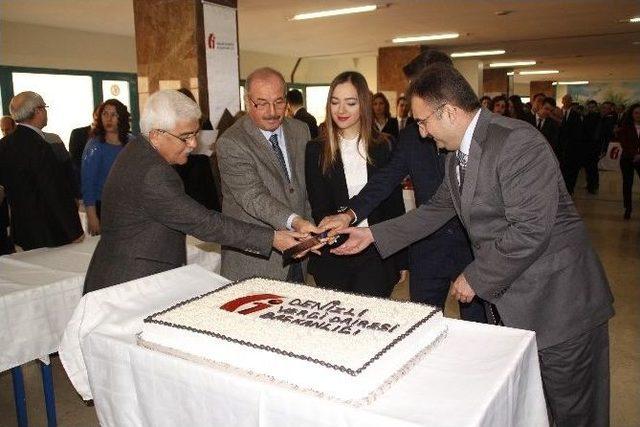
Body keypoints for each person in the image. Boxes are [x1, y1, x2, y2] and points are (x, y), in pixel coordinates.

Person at [332, 64, 614, 427]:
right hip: (521, 306)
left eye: (422, 121)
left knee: (575, 412)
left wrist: (475, 276)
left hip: (561, 307)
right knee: (537, 408)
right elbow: (436, 209)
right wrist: (371, 235)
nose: (420, 132)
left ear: (448, 111)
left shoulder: (516, 142)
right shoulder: (456, 157)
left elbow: (530, 228)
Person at [83, 90, 305, 293]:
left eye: (195, 134)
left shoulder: (139, 149)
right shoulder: (153, 173)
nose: (193, 144)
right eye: (185, 136)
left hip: (130, 277)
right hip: (131, 285)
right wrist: (272, 238)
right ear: (156, 135)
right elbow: (203, 223)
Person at [320, 50, 485, 323]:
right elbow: (384, 181)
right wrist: (349, 214)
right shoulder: (411, 136)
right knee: (421, 326)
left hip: (473, 250)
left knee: (479, 330)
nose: (413, 96)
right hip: (427, 250)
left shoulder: (485, 138)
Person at [305, 71, 407, 297]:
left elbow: (394, 206)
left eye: (350, 103)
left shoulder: (385, 146)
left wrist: (401, 258)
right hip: (333, 253)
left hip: (376, 251)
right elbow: (319, 206)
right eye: (335, 102)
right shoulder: (316, 149)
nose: (341, 110)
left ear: (363, 104)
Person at [216, 67, 322, 282]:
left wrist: (310, 233)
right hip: (254, 263)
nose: (272, 111)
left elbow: (306, 187)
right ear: (248, 102)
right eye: (262, 103)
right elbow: (253, 197)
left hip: (299, 256)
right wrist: (297, 222)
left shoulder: (301, 130)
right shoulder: (231, 142)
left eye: (279, 101)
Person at [0, 91, 83, 250]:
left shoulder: (4, 144)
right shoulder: (40, 146)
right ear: (38, 111)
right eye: (45, 107)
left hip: (21, 228)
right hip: (48, 229)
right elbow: (53, 190)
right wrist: (74, 230)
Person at [81, 99, 132, 235]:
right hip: (103, 206)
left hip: (129, 205)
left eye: (114, 115)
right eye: (105, 114)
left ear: (121, 117)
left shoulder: (131, 142)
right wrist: (92, 217)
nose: (108, 119)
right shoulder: (95, 145)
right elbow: (88, 183)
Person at [617, 103, 640, 220]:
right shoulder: (625, 127)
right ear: (632, 114)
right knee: (627, 184)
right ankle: (628, 208)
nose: (638, 115)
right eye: (636, 113)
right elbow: (624, 143)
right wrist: (634, 154)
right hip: (627, 158)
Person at [559, 94, 584, 194]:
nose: (566, 102)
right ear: (562, 101)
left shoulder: (576, 115)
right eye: (565, 100)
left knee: (570, 170)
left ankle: (569, 189)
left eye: (569, 100)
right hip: (560, 147)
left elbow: (578, 132)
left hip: (572, 147)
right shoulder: (557, 112)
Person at [582, 100, 602, 194]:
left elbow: (599, 134)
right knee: (588, 167)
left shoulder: (599, 118)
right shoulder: (586, 117)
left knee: (593, 167)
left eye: (593, 107)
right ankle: (590, 184)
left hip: (594, 146)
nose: (591, 109)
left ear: (596, 107)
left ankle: (593, 186)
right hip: (586, 146)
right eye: (589, 107)